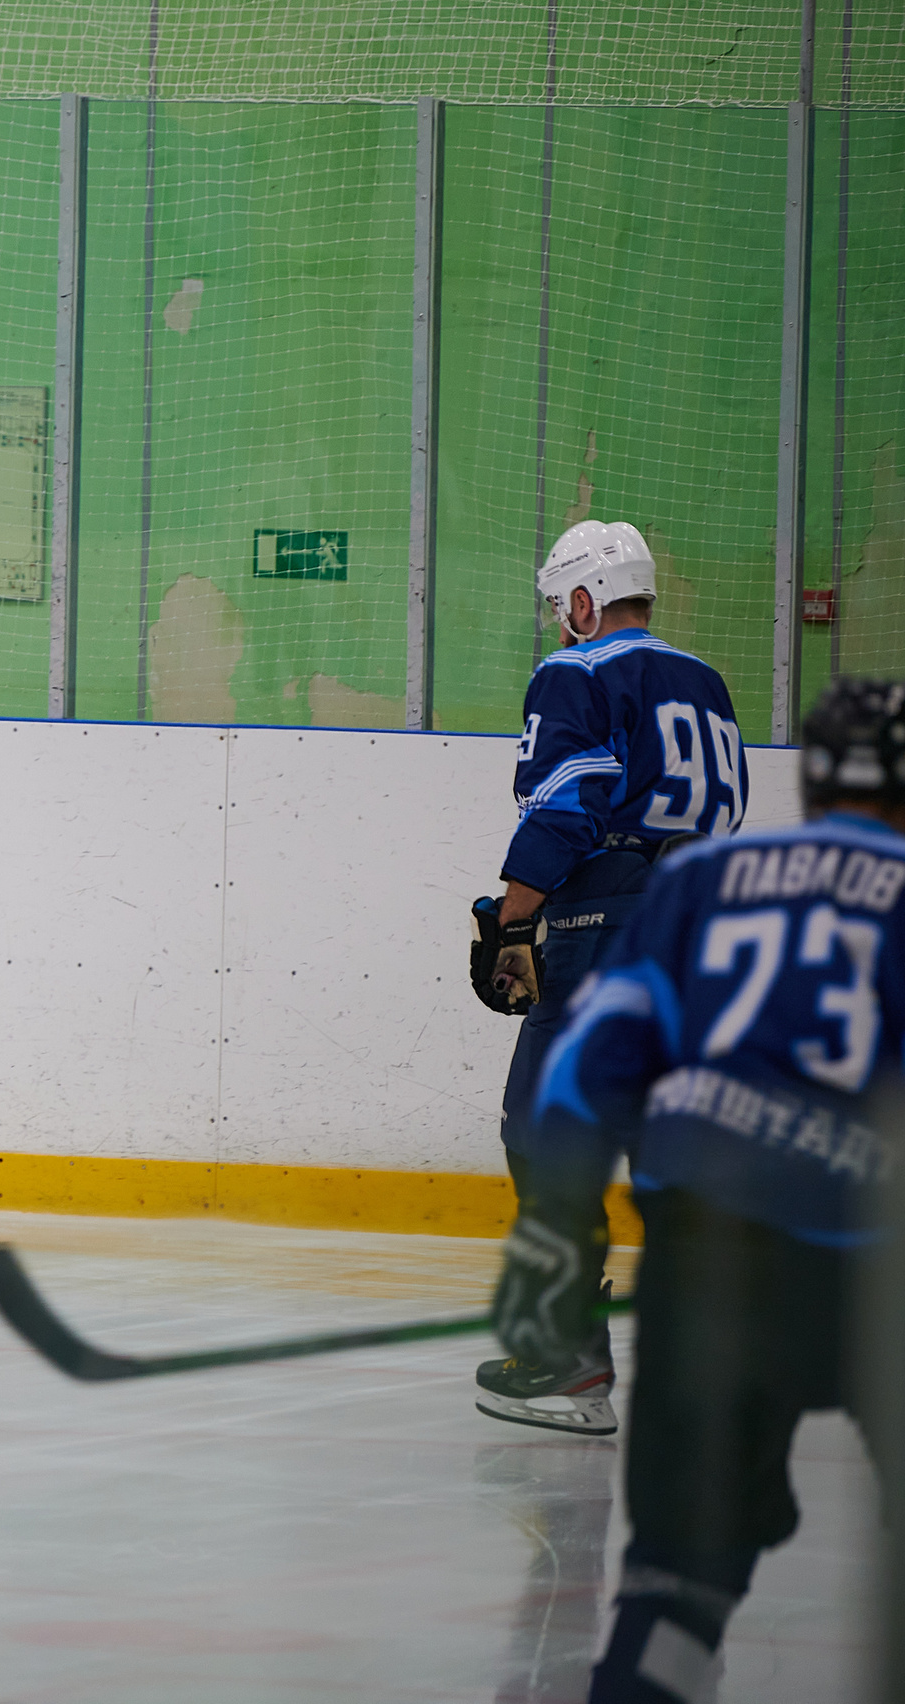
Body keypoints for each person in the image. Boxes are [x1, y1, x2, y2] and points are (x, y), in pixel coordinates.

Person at [496, 675, 897, 1702]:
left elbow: (581, 1081)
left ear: (808, 782)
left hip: (710, 1274)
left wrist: (552, 1247)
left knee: (676, 1589)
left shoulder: (701, 885)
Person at [467, 519, 746, 1433]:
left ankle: (567, 1359)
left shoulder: (575, 674)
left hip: (605, 918)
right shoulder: (703, 680)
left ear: (585, 600)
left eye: (562, 606)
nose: (560, 624)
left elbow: (566, 808)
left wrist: (511, 919)